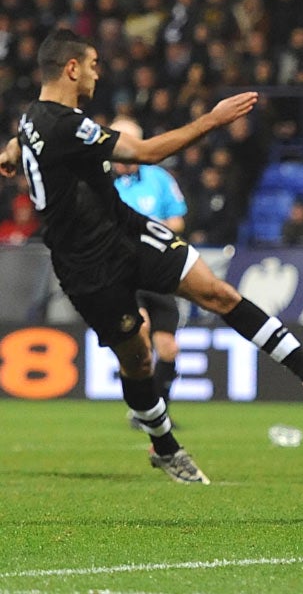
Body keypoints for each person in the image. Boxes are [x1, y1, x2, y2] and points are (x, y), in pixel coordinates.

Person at [0, 29, 303, 485]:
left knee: (218, 293)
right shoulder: (63, 123)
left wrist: (11, 152)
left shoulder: (35, 118)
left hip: (125, 231)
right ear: (71, 68)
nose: (97, 73)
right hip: (86, 264)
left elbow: (23, 140)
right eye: (92, 65)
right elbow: (146, 153)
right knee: (139, 360)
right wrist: (212, 120)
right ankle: (165, 445)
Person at [110, 116, 188, 423]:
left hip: (157, 271)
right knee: (139, 333)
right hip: (121, 274)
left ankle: (158, 411)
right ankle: (142, 408)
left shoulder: (159, 178)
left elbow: (179, 220)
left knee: (168, 348)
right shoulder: (100, 178)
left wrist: (148, 229)